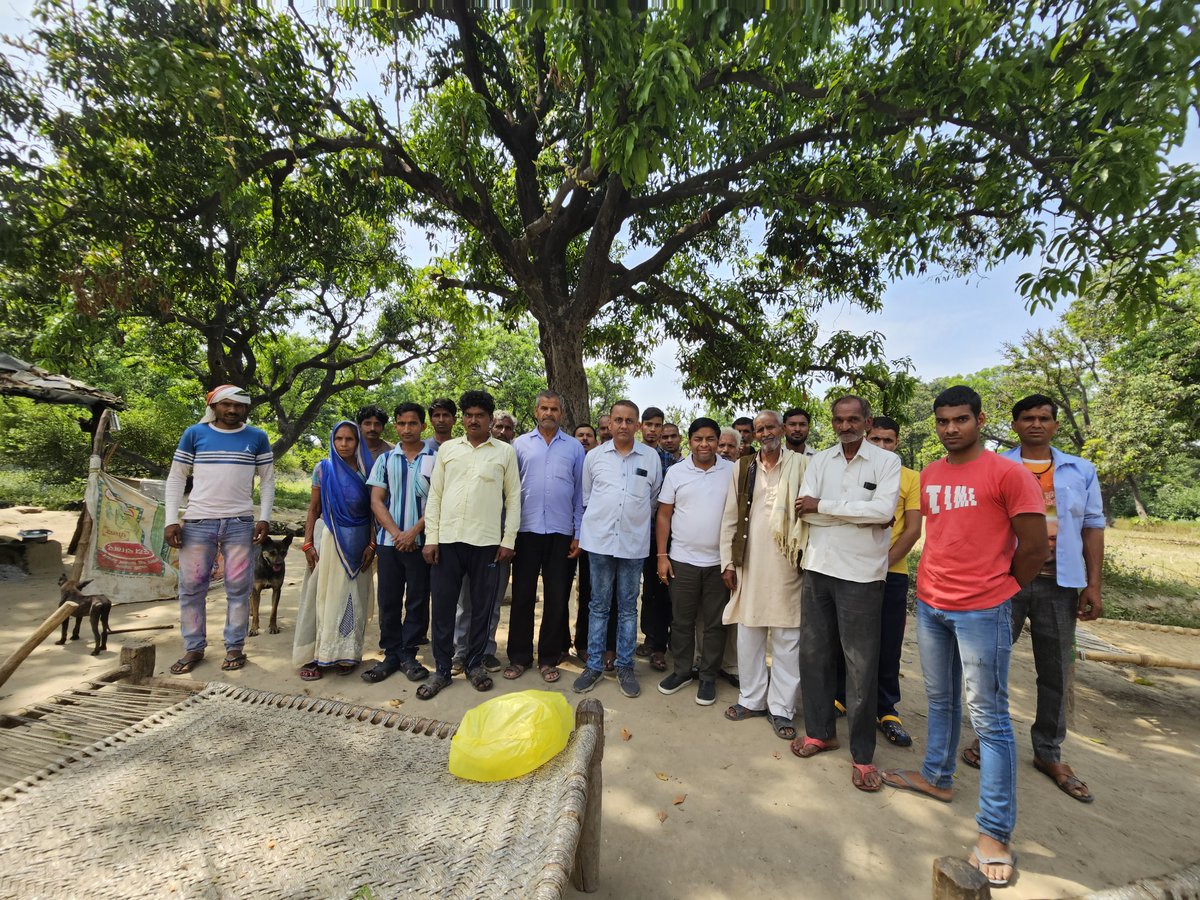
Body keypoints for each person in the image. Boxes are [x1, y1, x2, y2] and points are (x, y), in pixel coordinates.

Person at [881, 385, 1047, 889]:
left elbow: (1035, 546)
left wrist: (1002, 589)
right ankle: (937, 777)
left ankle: (995, 835)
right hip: (931, 604)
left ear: (979, 419)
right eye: (943, 421)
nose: (951, 428)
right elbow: (939, 533)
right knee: (939, 699)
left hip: (983, 611)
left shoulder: (1008, 473)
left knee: (990, 719)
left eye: (960, 419)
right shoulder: (930, 475)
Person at [961, 393, 1105, 803]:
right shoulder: (997, 466)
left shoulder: (1081, 471)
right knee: (988, 664)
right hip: (1004, 578)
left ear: (1056, 425)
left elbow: (1093, 527)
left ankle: (1048, 752)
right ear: (1015, 425)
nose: (1036, 424)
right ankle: (985, 740)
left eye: (1044, 418)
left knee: (1055, 669)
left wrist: (1092, 585)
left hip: (1060, 582)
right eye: (1027, 418)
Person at [792, 396, 900, 794]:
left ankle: (862, 755)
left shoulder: (886, 462)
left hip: (862, 575)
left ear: (867, 422)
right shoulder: (820, 460)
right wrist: (854, 511)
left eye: (853, 419)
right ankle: (821, 733)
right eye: (838, 419)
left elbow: (883, 513)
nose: (845, 425)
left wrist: (828, 507)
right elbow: (805, 509)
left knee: (860, 665)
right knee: (814, 655)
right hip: (819, 567)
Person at [164, 385, 275, 675]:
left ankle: (235, 646)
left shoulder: (257, 437)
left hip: (240, 523)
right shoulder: (194, 434)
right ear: (213, 406)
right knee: (191, 589)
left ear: (246, 408)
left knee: (238, 588)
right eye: (226, 405)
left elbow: (267, 481)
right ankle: (194, 648)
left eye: (239, 406)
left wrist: (263, 517)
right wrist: (170, 519)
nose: (232, 410)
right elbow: (176, 477)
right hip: (198, 522)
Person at [420, 390, 521, 699]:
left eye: (480, 415)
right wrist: (431, 539)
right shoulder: (448, 450)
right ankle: (441, 670)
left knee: (481, 608)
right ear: (462, 419)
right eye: (469, 415)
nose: (473, 420)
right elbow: (435, 496)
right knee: (444, 609)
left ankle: (475, 664)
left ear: (490, 420)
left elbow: (514, 499)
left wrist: (508, 541)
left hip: (487, 544)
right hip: (447, 542)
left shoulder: (504, 453)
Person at [834, 416, 922, 747]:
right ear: (866, 439)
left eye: (889, 440)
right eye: (876, 440)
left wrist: (881, 562)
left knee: (887, 642)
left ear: (897, 443)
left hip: (890, 572)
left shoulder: (910, 477)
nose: (882, 445)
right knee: (846, 638)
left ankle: (886, 709)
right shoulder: (850, 472)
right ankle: (841, 695)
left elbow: (913, 528)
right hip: (850, 570)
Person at [719, 411, 807, 740]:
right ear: (753, 435)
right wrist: (728, 562)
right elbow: (730, 517)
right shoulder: (743, 467)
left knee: (787, 639)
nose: (765, 433)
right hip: (750, 563)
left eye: (771, 427)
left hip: (788, 564)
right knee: (749, 632)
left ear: (783, 430)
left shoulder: (801, 466)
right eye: (759, 429)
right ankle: (752, 699)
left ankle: (782, 708)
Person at [573, 400, 663, 699]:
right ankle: (595, 665)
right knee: (598, 605)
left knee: (627, 607)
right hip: (599, 542)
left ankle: (625, 666)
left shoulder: (651, 458)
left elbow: (653, 499)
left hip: (633, 544)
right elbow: (587, 498)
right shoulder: (594, 457)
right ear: (609, 424)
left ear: (637, 425)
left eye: (629, 420)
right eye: (618, 420)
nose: (623, 425)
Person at [505, 391, 585, 684]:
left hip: (561, 532)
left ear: (561, 414)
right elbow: (511, 492)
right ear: (536, 411)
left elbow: (579, 493)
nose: (549, 413)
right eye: (544, 408)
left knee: (556, 597)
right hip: (526, 531)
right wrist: (509, 534)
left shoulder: (575, 448)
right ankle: (519, 657)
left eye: (554, 409)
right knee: (523, 596)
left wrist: (578, 532)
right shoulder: (519, 445)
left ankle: (549, 658)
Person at [656, 418, 733, 705]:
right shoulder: (676, 472)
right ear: (690, 442)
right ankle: (682, 671)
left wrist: (732, 562)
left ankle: (709, 676)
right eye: (698, 439)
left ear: (717, 441)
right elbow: (664, 514)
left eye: (710, 439)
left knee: (714, 623)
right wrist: (662, 556)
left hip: (718, 562)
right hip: (682, 560)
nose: (704, 444)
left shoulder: (731, 471)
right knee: (682, 621)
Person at [293, 421, 377, 679]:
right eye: (339, 439)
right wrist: (307, 543)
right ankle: (318, 655)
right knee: (324, 598)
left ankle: (347, 653)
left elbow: (375, 510)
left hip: (360, 543)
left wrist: (372, 545)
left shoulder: (367, 469)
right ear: (332, 440)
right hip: (330, 543)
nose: (343, 444)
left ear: (357, 442)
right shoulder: (323, 469)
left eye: (349, 439)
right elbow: (314, 509)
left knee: (353, 598)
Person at [362, 402, 436, 684]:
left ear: (422, 426)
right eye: (402, 424)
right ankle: (391, 653)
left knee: (417, 599)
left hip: (421, 542)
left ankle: (409, 653)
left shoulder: (436, 459)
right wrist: (396, 534)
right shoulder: (385, 459)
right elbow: (376, 500)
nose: (407, 429)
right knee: (389, 599)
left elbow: (438, 501)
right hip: (389, 542)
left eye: (413, 424)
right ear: (396, 426)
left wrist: (413, 532)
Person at [638, 405, 674, 669]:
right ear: (641, 426)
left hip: (659, 537)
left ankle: (658, 644)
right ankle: (645, 638)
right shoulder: (632, 454)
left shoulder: (671, 462)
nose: (652, 430)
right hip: (631, 534)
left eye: (657, 425)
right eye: (648, 424)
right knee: (635, 592)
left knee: (658, 590)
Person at [356, 404, 393, 472]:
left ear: (383, 428)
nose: (372, 428)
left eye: (377, 424)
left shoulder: (392, 451)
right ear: (360, 427)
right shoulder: (351, 449)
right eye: (367, 424)